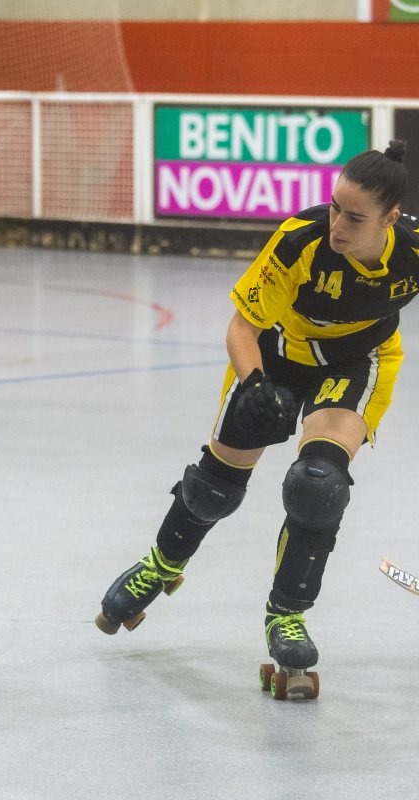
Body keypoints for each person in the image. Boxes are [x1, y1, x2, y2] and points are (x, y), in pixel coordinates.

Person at [95, 141, 417, 699]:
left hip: (355, 361)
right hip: (273, 355)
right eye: (334, 206)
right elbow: (241, 328)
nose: (337, 224)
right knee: (214, 490)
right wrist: (255, 384)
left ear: (390, 219)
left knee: (318, 485)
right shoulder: (300, 242)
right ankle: (162, 562)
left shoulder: (412, 251)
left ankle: (285, 616)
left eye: (355, 217)